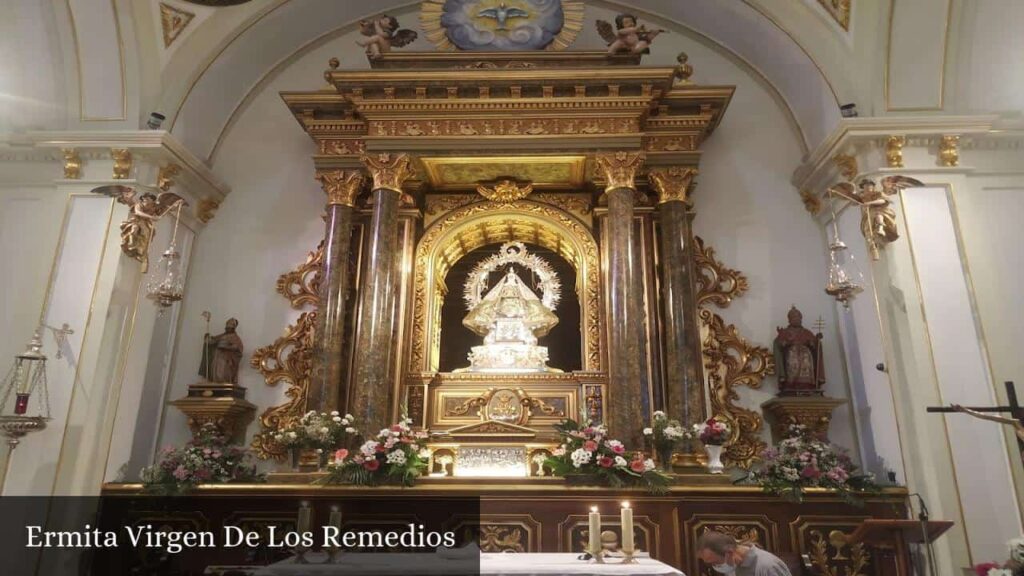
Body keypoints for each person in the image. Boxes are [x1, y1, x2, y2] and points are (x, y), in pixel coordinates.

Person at [696, 531, 792, 576]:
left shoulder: (768, 566)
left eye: (715, 562)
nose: (715, 567)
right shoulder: (733, 567)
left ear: (729, 553)